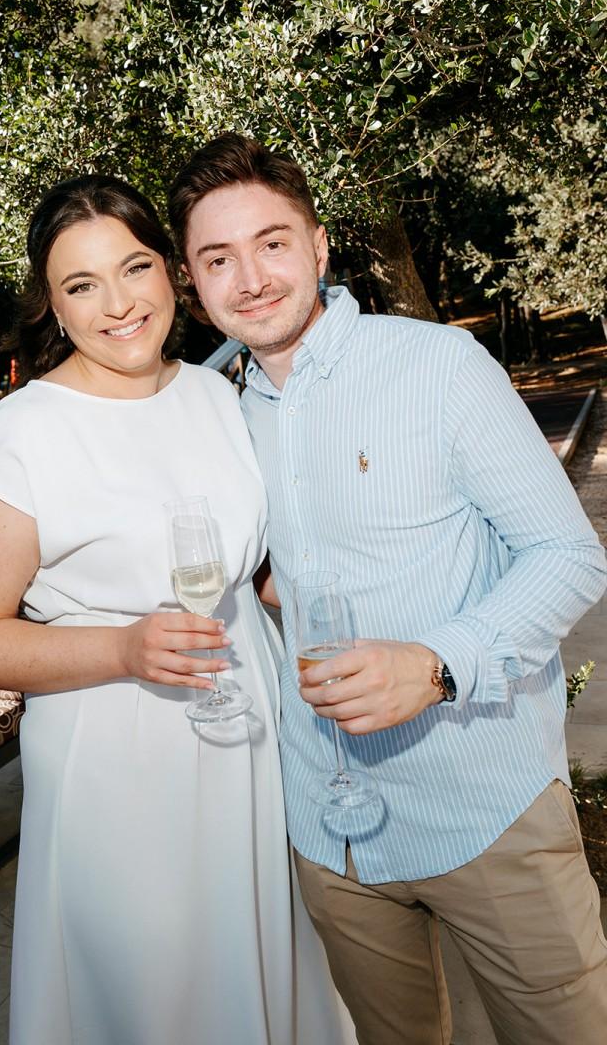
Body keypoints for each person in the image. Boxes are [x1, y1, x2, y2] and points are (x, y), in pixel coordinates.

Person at [169, 132, 607, 1045]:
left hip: (485, 808)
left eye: (272, 243)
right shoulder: (215, 416)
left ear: (319, 246)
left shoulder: (440, 368)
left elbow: (569, 555)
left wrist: (437, 665)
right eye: (218, 258)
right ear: (192, 280)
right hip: (330, 835)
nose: (250, 278)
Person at [0, 175, 350, 1045]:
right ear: (53, 307)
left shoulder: (215, 393)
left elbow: (254, 569)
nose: (119, 304)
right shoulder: (24, 432)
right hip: (117, 757)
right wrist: (123, 649)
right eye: (82, 285)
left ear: (171, 272)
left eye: (134, 269)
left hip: (249, 734)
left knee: (258, 961)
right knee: (156, 989)